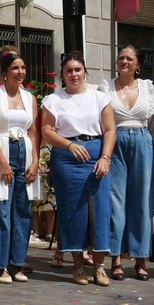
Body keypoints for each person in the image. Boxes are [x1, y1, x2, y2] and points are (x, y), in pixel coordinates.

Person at [40, 51, 116, 286]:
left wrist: (105, 157)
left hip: (96, 154)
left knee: (100, 209)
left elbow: (110, 130)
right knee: (73, 210)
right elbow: (47, 131)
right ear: (62, 74)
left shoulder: (99, 98)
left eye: (77, 70)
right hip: (67, 156)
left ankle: (100, 266)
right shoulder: (54, 100)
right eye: (69, 71)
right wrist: (69, 145)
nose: (73, 74)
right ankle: (78, 265)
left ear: (85, 72)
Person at [98, 45, 154, 281]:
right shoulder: (106, 87)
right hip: (116, 140)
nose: (124, 61)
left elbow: (153, 121)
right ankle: (116, 257)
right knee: (116, 201)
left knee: (142, 200)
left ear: (138, 64)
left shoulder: (147, 87)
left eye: (129, 59)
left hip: (142, 138)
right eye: (121, 58)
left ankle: (141, 258)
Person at [0, 47, 38, 284]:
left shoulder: (30, 98)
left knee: (23, 210)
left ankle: (18, 262)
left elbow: (33, 132)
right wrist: (3, 163)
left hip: (25, 151)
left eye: (23, 67)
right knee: (2, 210)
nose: (20, 72)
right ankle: (0, 264)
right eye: (15, 68)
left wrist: (35, 161)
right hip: (4, 150)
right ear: (5, 72)